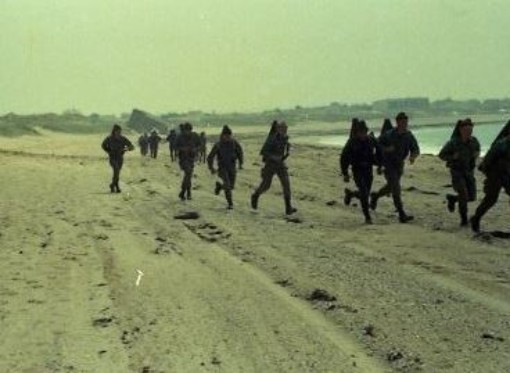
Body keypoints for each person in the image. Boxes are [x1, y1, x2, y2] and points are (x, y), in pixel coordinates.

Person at [370, 112, 419, 223]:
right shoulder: (389, 134)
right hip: (388, 164)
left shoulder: (409, 135)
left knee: (391, 187)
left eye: (406, 122)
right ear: (397, 122)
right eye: (402, 122)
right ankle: (401, 214)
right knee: (396, 188)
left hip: (399, 164)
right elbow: (377, 143)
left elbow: (415, 148)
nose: (404, 124)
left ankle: (375, 196)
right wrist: (386, 149)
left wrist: (413, 156)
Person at [470, 121, 510, 232]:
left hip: (507, 174)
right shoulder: (502, 144)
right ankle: (476, 218)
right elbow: (488, 160)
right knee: (491, 199)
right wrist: (489, 175)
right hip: (495, 174)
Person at [438, 119, 480, 226]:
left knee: (472, 197)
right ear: (461, 130)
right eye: (466, 130)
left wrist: (476, 154)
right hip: (457, 172)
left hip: (469, 172)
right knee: (464, 194)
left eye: (470, 130)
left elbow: (478, 149)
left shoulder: (474, 141)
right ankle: (464, 219)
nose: (468, 132)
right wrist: (453, 157)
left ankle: (452, 199)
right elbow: (441, 155)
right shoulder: (453, 142)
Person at [251, 121, 297, 215]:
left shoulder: (285, 139)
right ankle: (255, 195)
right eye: (283, 128)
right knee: (266, 185)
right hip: (270, 165)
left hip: (280, 165)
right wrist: (274, 157)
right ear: (278, 129)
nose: (285, 130)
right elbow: (263, 152)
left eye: (286, 128)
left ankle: (288, 208)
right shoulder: (272, 138)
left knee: (286, 185)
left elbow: (284, 152)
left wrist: (285, 154)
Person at [340, 120, 381, 224]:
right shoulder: (352, 142)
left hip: (368, 169)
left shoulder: (371, 140)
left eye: (364, 132)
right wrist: (345, 173)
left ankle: (351, 194)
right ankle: (367, 217)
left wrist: (380, 165)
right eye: (360, 132)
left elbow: (380, 152)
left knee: (366, 193)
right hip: (357, 170)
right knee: (363, 192)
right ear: (357, 132)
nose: (362, 134)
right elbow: (344, 157)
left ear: (366, 132)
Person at [207, 126, 244, 209]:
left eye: (229, 136)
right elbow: (210, 157)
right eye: (226, 136)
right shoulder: (218, 145)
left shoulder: (234, 143)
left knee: (231, 186)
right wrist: (211, 168)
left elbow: (240, 153)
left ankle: (219, 186)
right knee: (227, 186)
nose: (227, 138)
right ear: (222, 135)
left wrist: (241, 163)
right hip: (222, 168)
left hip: (232, 167)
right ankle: (230, 203)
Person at [101, 124, 134, 193]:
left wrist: (126, 149)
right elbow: (103, 145)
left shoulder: (123, 138)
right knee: (116, 171)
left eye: (120, 131)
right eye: (117, 131)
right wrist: (108, 151)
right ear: (114, 131)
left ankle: (113, 185)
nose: (119, 132)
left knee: (117, 173)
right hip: (112, 157)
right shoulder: (109, 138)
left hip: (120, 157)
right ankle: (116, 186)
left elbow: (131, 146)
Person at [175, 122, 201, 200]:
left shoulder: (195, 136)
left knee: (188, 175)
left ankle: (186, 192)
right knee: (189, 172)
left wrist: (195, 149)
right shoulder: (180, 137)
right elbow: (175, 146)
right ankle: (185, 192)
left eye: (189, 130)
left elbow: (200, 145)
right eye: (186, 130)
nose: (187, 132)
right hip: (183, 159)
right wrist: (182, 149)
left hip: (191, 159)